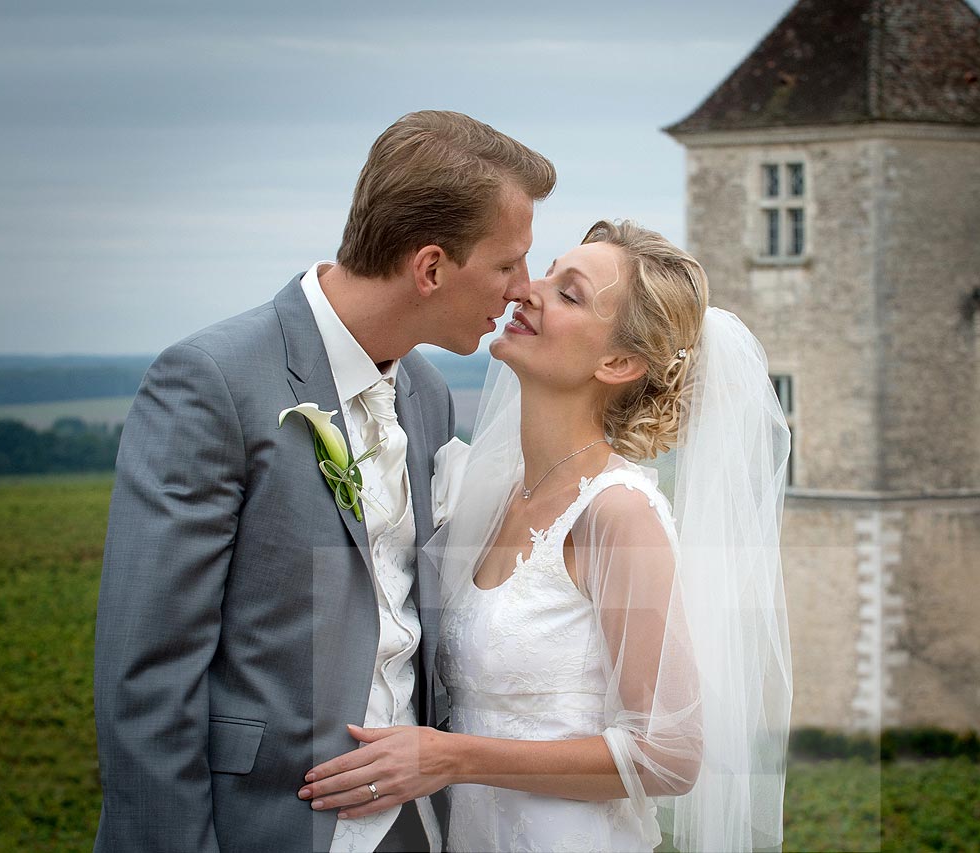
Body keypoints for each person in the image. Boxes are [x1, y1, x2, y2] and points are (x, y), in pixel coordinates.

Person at [93, 110, 555, 853]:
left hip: (419, 828)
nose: (521, 289)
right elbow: (146, 676)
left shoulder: (428, 395)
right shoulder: (213, 381)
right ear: (431, 267)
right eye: (508, 264)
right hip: (264, 824)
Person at [297, 221, 794, 852]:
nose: (528, 290)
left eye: (570, 293)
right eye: (548, 273)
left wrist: (452, 759)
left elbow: (669, 756)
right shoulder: (491, 492)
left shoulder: (618, 515)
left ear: (618, 362)